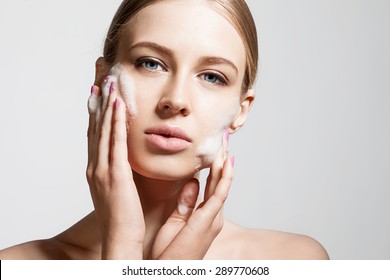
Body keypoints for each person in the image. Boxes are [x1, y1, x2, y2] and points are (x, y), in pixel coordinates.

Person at [0, 0, 329, 260]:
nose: (176, 100)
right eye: (151, 63)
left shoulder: (294, 262)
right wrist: (123, 245)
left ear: (240, 111)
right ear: (102, 79)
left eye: (212, 76)